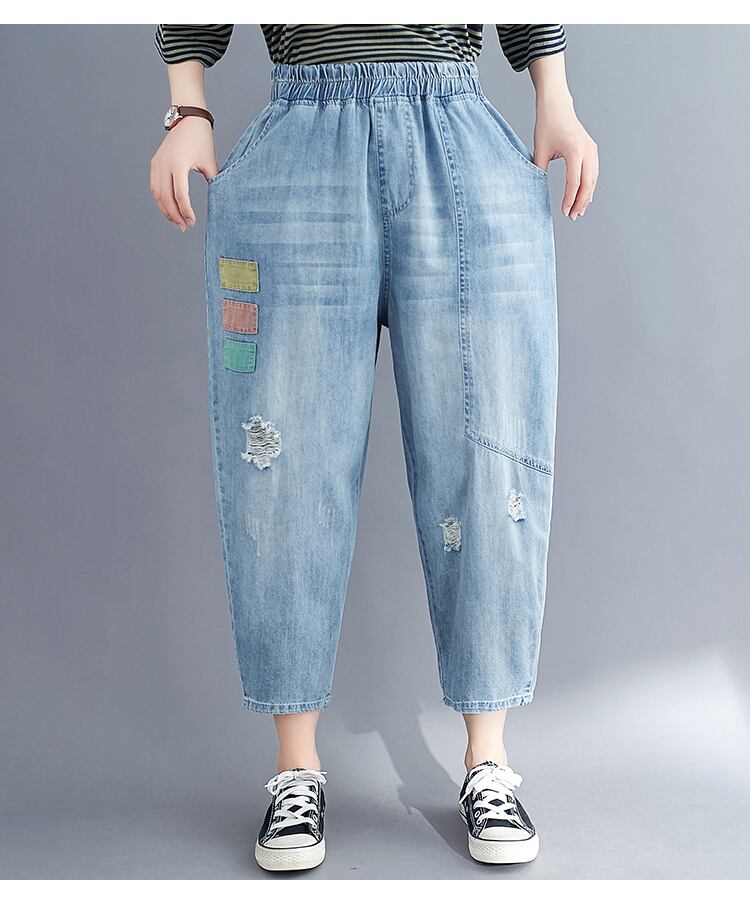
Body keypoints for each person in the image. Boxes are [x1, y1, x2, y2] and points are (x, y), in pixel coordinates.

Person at [150, 24, 598, 872]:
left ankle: (489, 759)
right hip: (302, 133)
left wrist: (556, 92)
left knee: (487, 449)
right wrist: (187, 107)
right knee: (283, 452)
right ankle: (295, 767)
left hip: (455, 123)